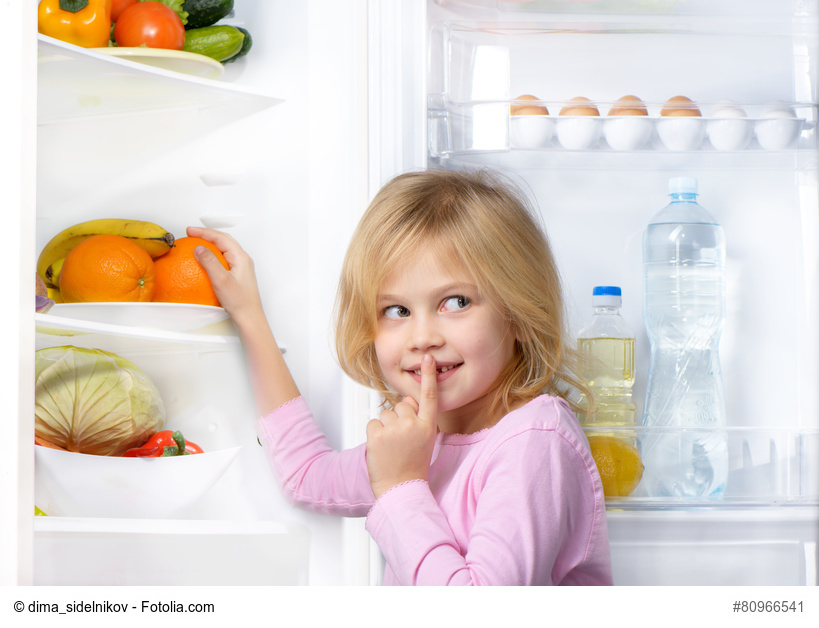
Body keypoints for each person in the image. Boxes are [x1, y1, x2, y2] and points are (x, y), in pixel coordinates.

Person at [189, 167, 612, 586]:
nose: (423, 337)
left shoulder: (534, 440)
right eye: (397, 311)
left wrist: (400, 485)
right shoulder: (422, 440)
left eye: (456, 301)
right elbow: (308, 476)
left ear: (518, 313)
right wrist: (248, 314)